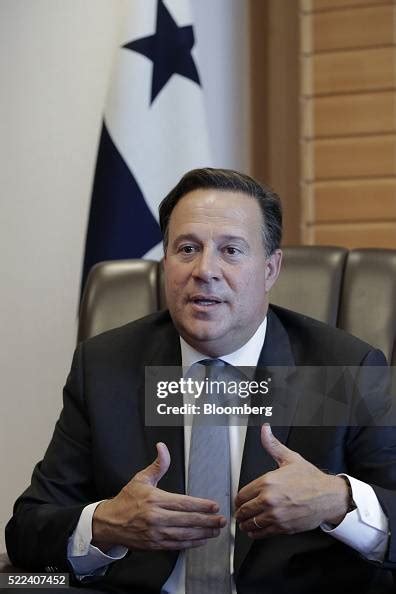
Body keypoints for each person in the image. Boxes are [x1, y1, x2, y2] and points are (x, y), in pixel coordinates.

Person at [5, 168, 396, 593]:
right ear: (166, 263)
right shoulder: (106, 366)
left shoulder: (340, 368)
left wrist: (337, 501)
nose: (205, 270)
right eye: (187, 248)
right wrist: (106, 524)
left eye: (231, 251)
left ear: (269, 269)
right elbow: (27, 532)